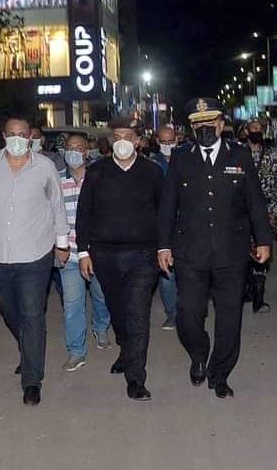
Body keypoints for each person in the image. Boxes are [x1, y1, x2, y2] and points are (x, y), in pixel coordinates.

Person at [157, 98, 271, 399]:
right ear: (191, 128)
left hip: (231, 251)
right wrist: (163, 246)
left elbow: (255, 201)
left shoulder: (240, 155)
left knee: (230, 316)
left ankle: (220, 373)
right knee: (187, 313)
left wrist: (263, 240)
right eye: (198, 124)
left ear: (221, 125)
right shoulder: (181, 157)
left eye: (210, 123)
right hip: (190, 251)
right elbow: (168, 205)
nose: (205, 128)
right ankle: (198, 354)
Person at [0, 114, 71, 406]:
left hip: (36, 254)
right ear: (3, 136)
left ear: (31, 138)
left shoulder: (45, 167)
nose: (17, 139)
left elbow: (57, 206)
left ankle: (32, 380)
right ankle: (29, 350)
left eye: (22, 134)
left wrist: (62, 243)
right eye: (11, 134)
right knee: (8, 309)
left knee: (32, 314)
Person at [76, 117, 163, 402]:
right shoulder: (97, 171)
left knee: (137, 313)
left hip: (143, 255)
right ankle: (126, 349)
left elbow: (164, 213)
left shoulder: (152, 172)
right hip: (105, 255)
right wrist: (84, 251)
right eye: (117, 137)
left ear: (138, 141)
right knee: (117, 310)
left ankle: (136, 378)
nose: (122, 142)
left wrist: (164, 247)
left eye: (128, 137)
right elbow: (84, 212)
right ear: (111, 141)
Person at [57, 134, 112, 373]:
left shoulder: (99, 178)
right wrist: (58, 245)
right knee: (72, 304)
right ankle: (76, 351)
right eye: (69, 147)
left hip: (97, 252)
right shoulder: (56, 180)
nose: (73, 151)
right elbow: (50, 215)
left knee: (101, 295)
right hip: (69, 252)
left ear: (87, 152)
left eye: (78, 147)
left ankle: (101, 326)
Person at [242, 120, 277, 314]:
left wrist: (274, 211)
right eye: (253, 129)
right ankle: (246, 289)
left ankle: (259, 297)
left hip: (264, 210)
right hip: (241, 212)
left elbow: (276, 184)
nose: (257, 132)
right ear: (246, 131)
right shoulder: (238, 153)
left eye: (260, 129)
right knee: (242, 252)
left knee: (261, 252)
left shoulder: (270, 154)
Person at [150, 126, 178, 330]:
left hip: (186, 224)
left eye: (171, 141)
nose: (168, 145)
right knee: (167, 273)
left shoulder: (187, 160)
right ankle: (173, 313)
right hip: (161, 225)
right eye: (164, 142)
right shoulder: (152, 165)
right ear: (158, 142)